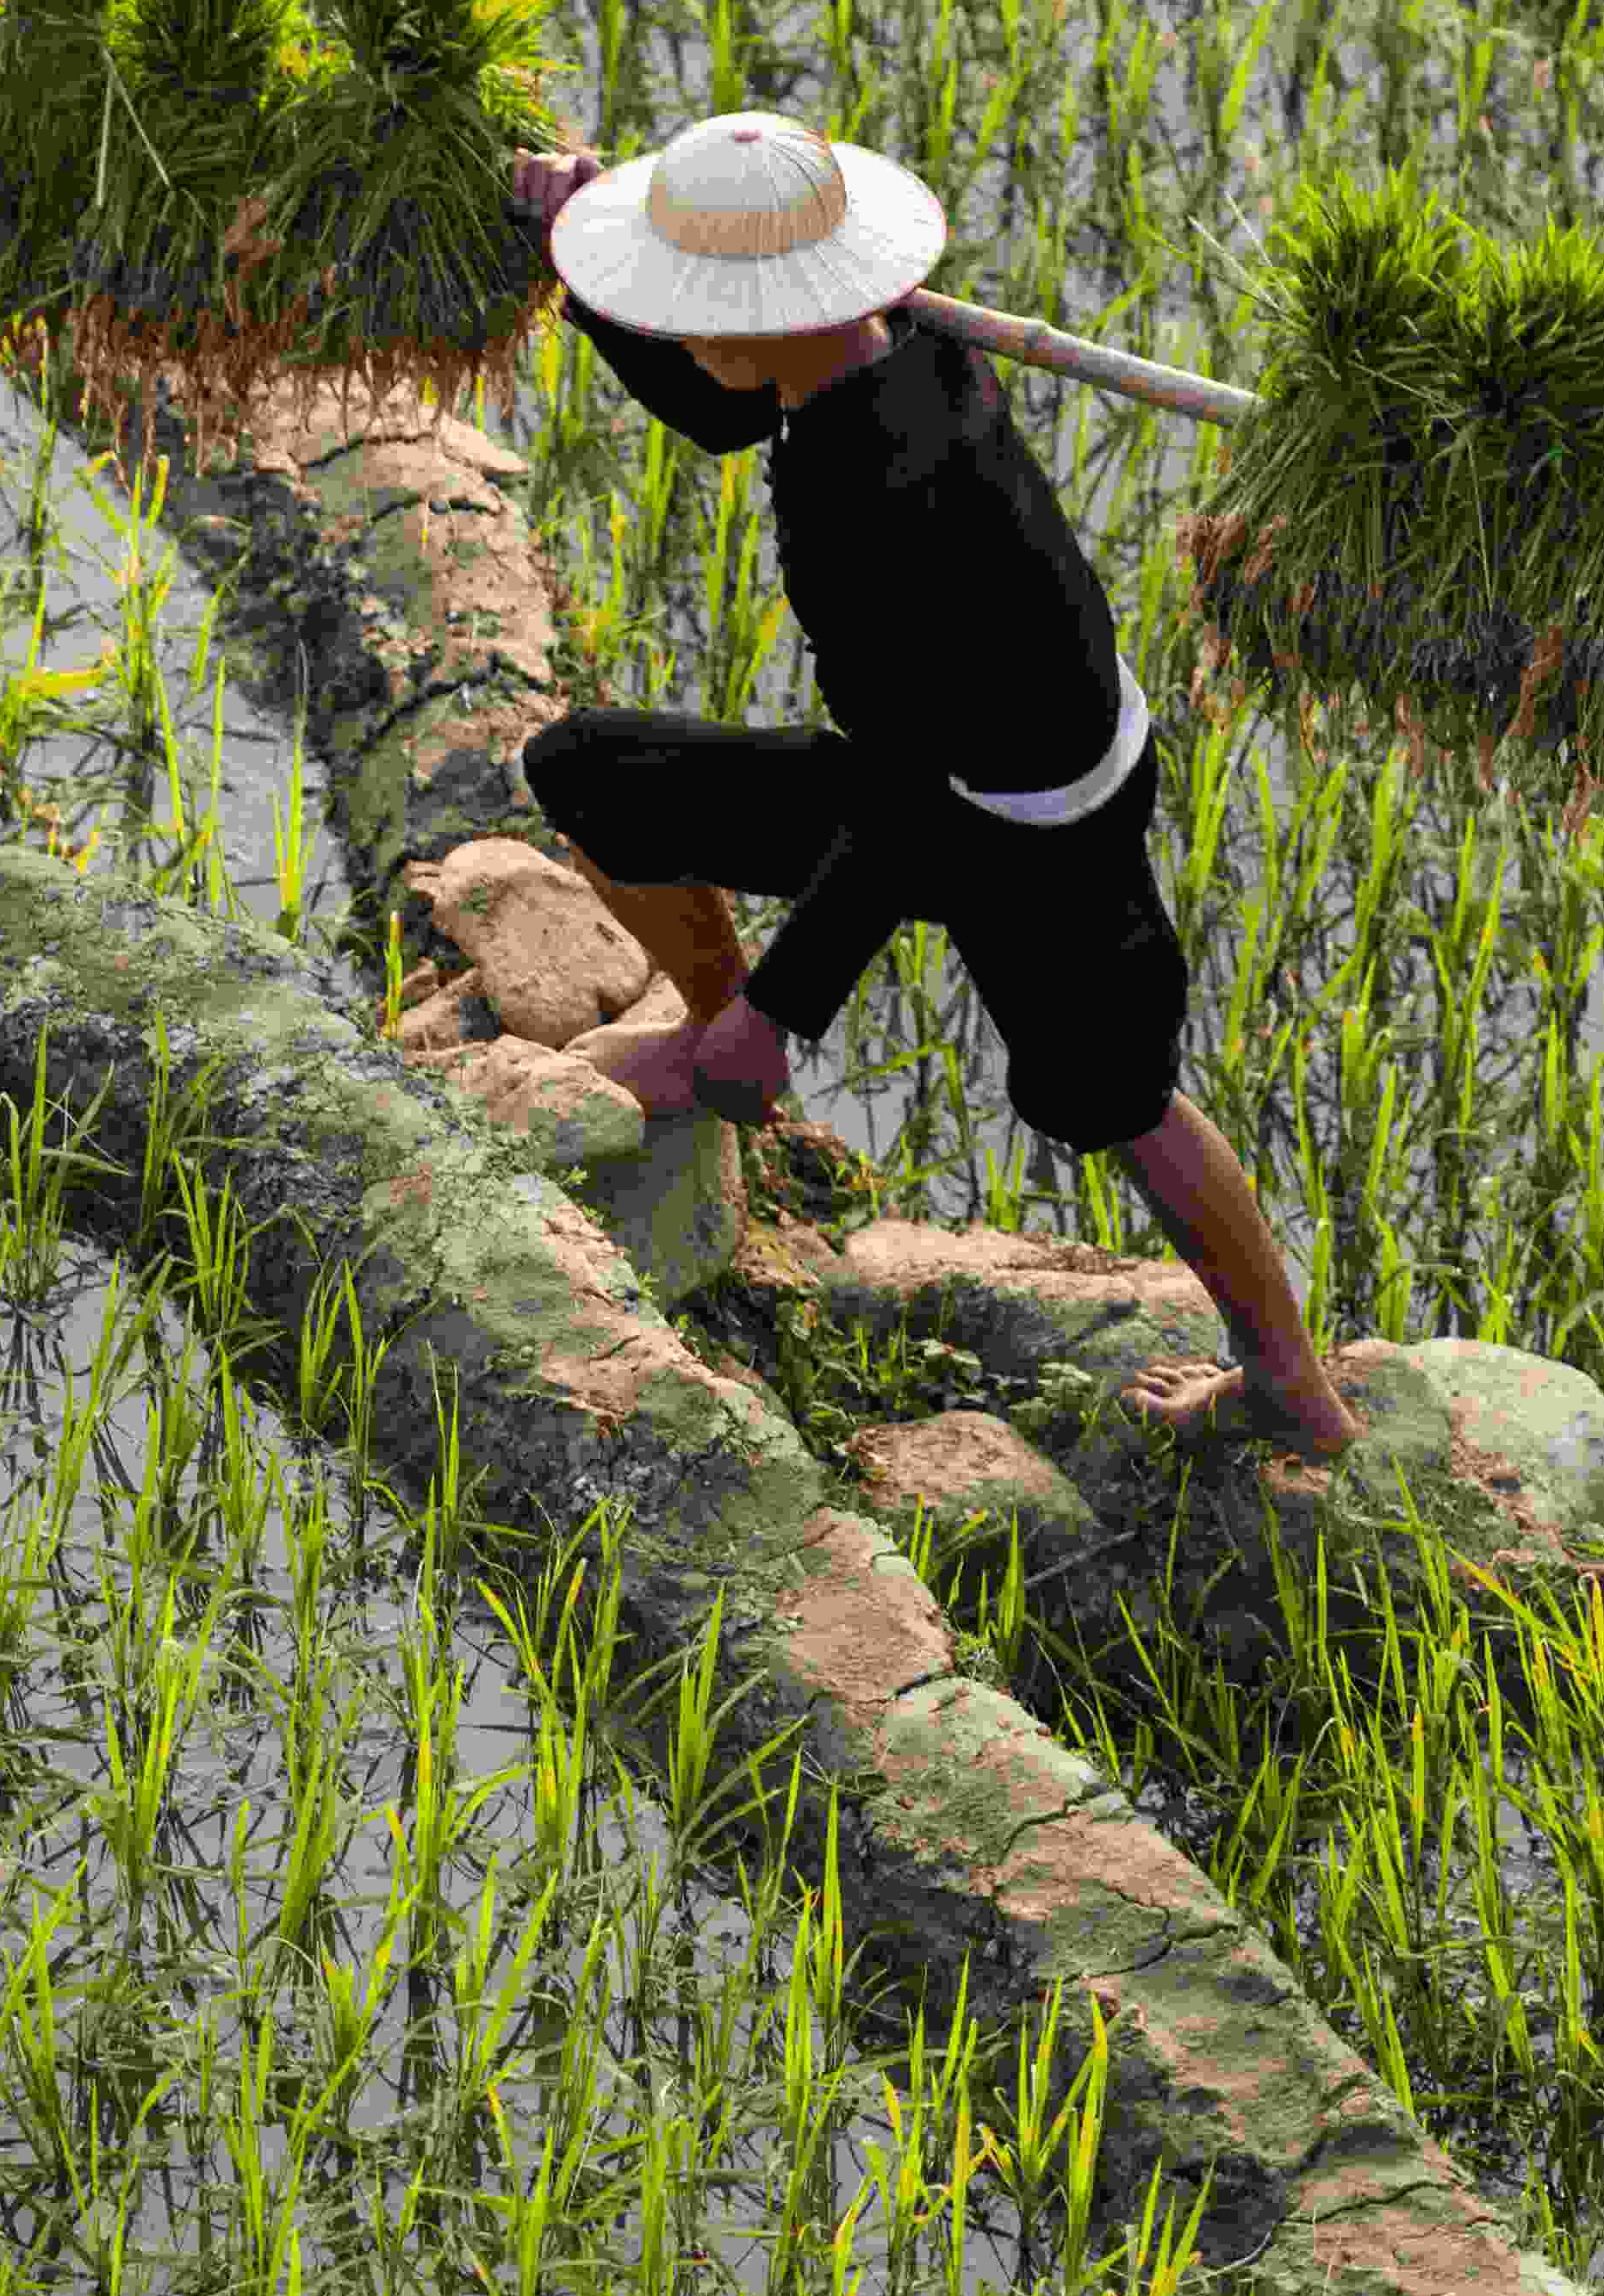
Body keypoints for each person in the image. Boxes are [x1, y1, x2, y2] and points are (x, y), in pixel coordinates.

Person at [502, 112, 1362, 1460]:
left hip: (1031, 819)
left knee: (1115, 1102)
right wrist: (577, 263)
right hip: (933, 768)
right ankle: (713, 1032)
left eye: (685, 308)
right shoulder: (887, 352)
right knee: (589, 776)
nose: (674, 331)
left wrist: (789, 1009)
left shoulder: (883, 496)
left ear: (768, 316)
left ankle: (1288, 1377)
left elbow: (913, 806)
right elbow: (721, 407)